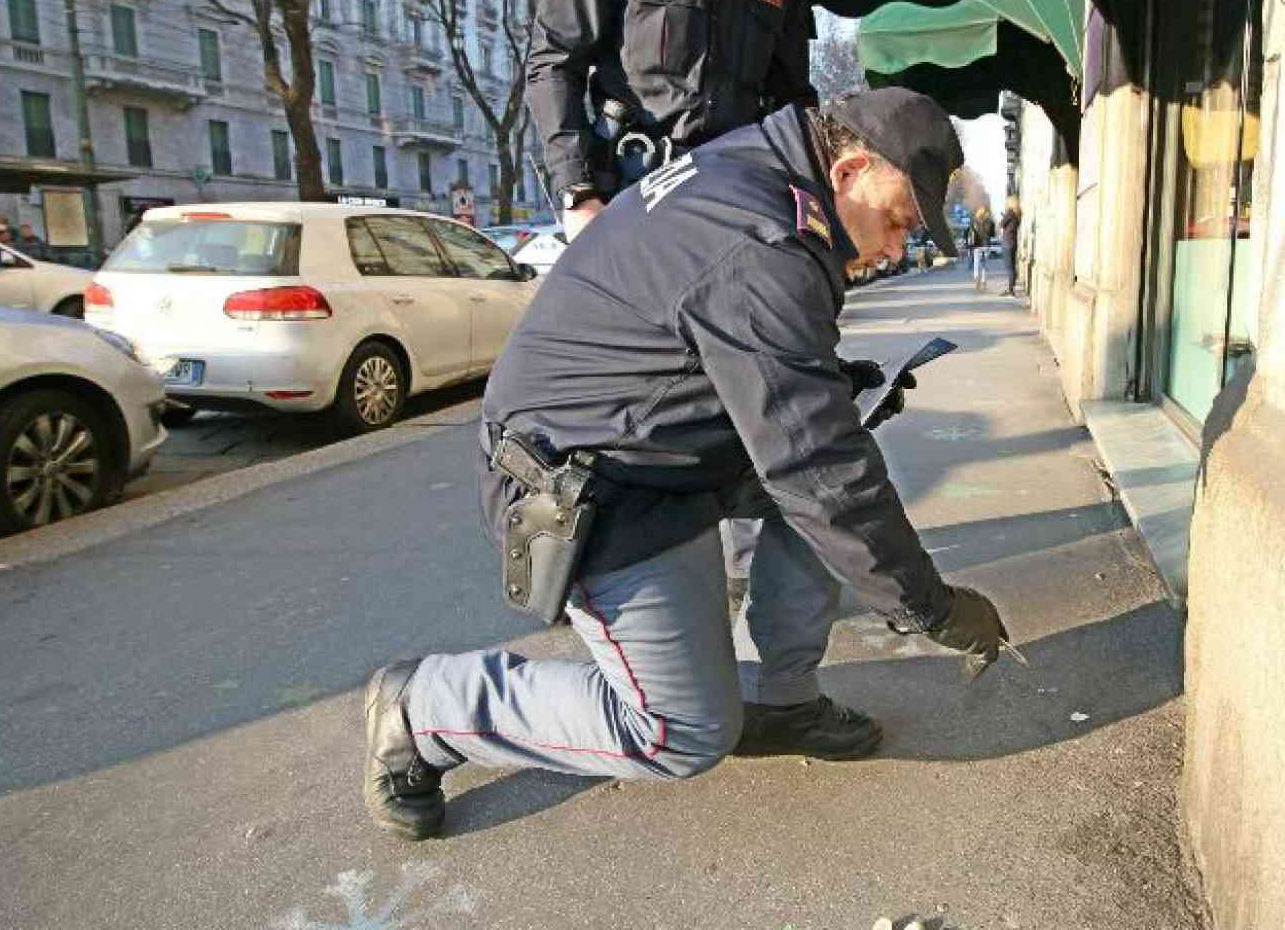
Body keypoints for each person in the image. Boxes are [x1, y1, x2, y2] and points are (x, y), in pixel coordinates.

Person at [362, 89, 1000, 841]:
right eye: (896, 222)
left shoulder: (761, 177)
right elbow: (815, 463)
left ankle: (778, 700)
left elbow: (759, 384)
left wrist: (831, 390)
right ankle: (426, 707)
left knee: (825, 473)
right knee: (680, 730)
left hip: (651, 442)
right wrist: (928, 606)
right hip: (583, 480)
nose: (894, 250)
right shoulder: (762, 237)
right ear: (850, 170)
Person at [525, 0, 875, 764]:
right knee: (646, 445)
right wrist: (577, 195)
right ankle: (661, 651)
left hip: (736, 246)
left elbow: (794, 110)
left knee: (797, 447)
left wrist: (821, 236)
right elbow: (554, 61)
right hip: (631, 237)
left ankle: (784, 691)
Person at [525, 0, 819, 243]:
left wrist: (815, 203)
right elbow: (554, 62)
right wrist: (577, 191)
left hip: (738, 208)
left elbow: (793, 103)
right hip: (631, 202)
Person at [999, 202, 1021, 296]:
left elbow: (1001, 224)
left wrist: (1004, 216)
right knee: (1012, 266)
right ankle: (1011, 288)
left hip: (1007, 243)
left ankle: (1011, 290)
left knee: (1009, 267)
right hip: (1013, 243)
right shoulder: (1017, 216)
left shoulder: (1010, 214)